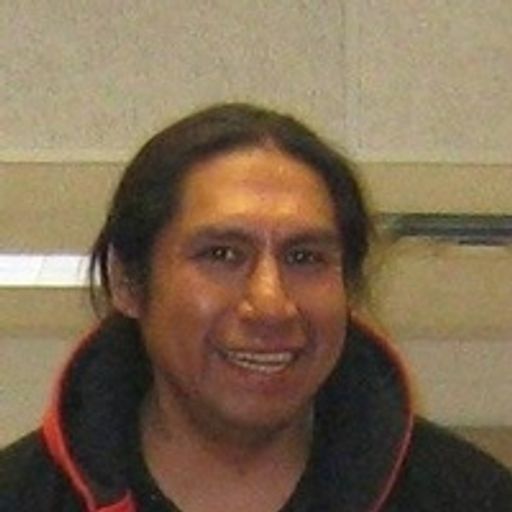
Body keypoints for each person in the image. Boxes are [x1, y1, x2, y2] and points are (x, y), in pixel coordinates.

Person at [1, 103, 511, 512]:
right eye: (222, 255)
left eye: (304, 257)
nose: (271, 305)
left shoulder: (470, 498)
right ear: (127, 281)